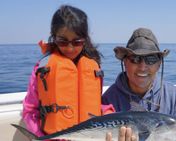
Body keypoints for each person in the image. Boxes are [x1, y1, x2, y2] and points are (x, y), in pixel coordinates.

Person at [22, 5, 114, 137]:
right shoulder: (42, 69)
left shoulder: (94, 67)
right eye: (62, 41)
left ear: (85, 39)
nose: (70, 48)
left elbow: (96, 104)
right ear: (54, 37)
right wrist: (41, 137)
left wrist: (107, 113)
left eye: (77, 42)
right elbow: (29, 111)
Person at [102, 28, 176, 140]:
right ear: (125, 62)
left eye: (151, 59)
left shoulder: (173, 96)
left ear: (159, 64)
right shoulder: (108, 98)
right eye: (135, 59)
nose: (142, 67)